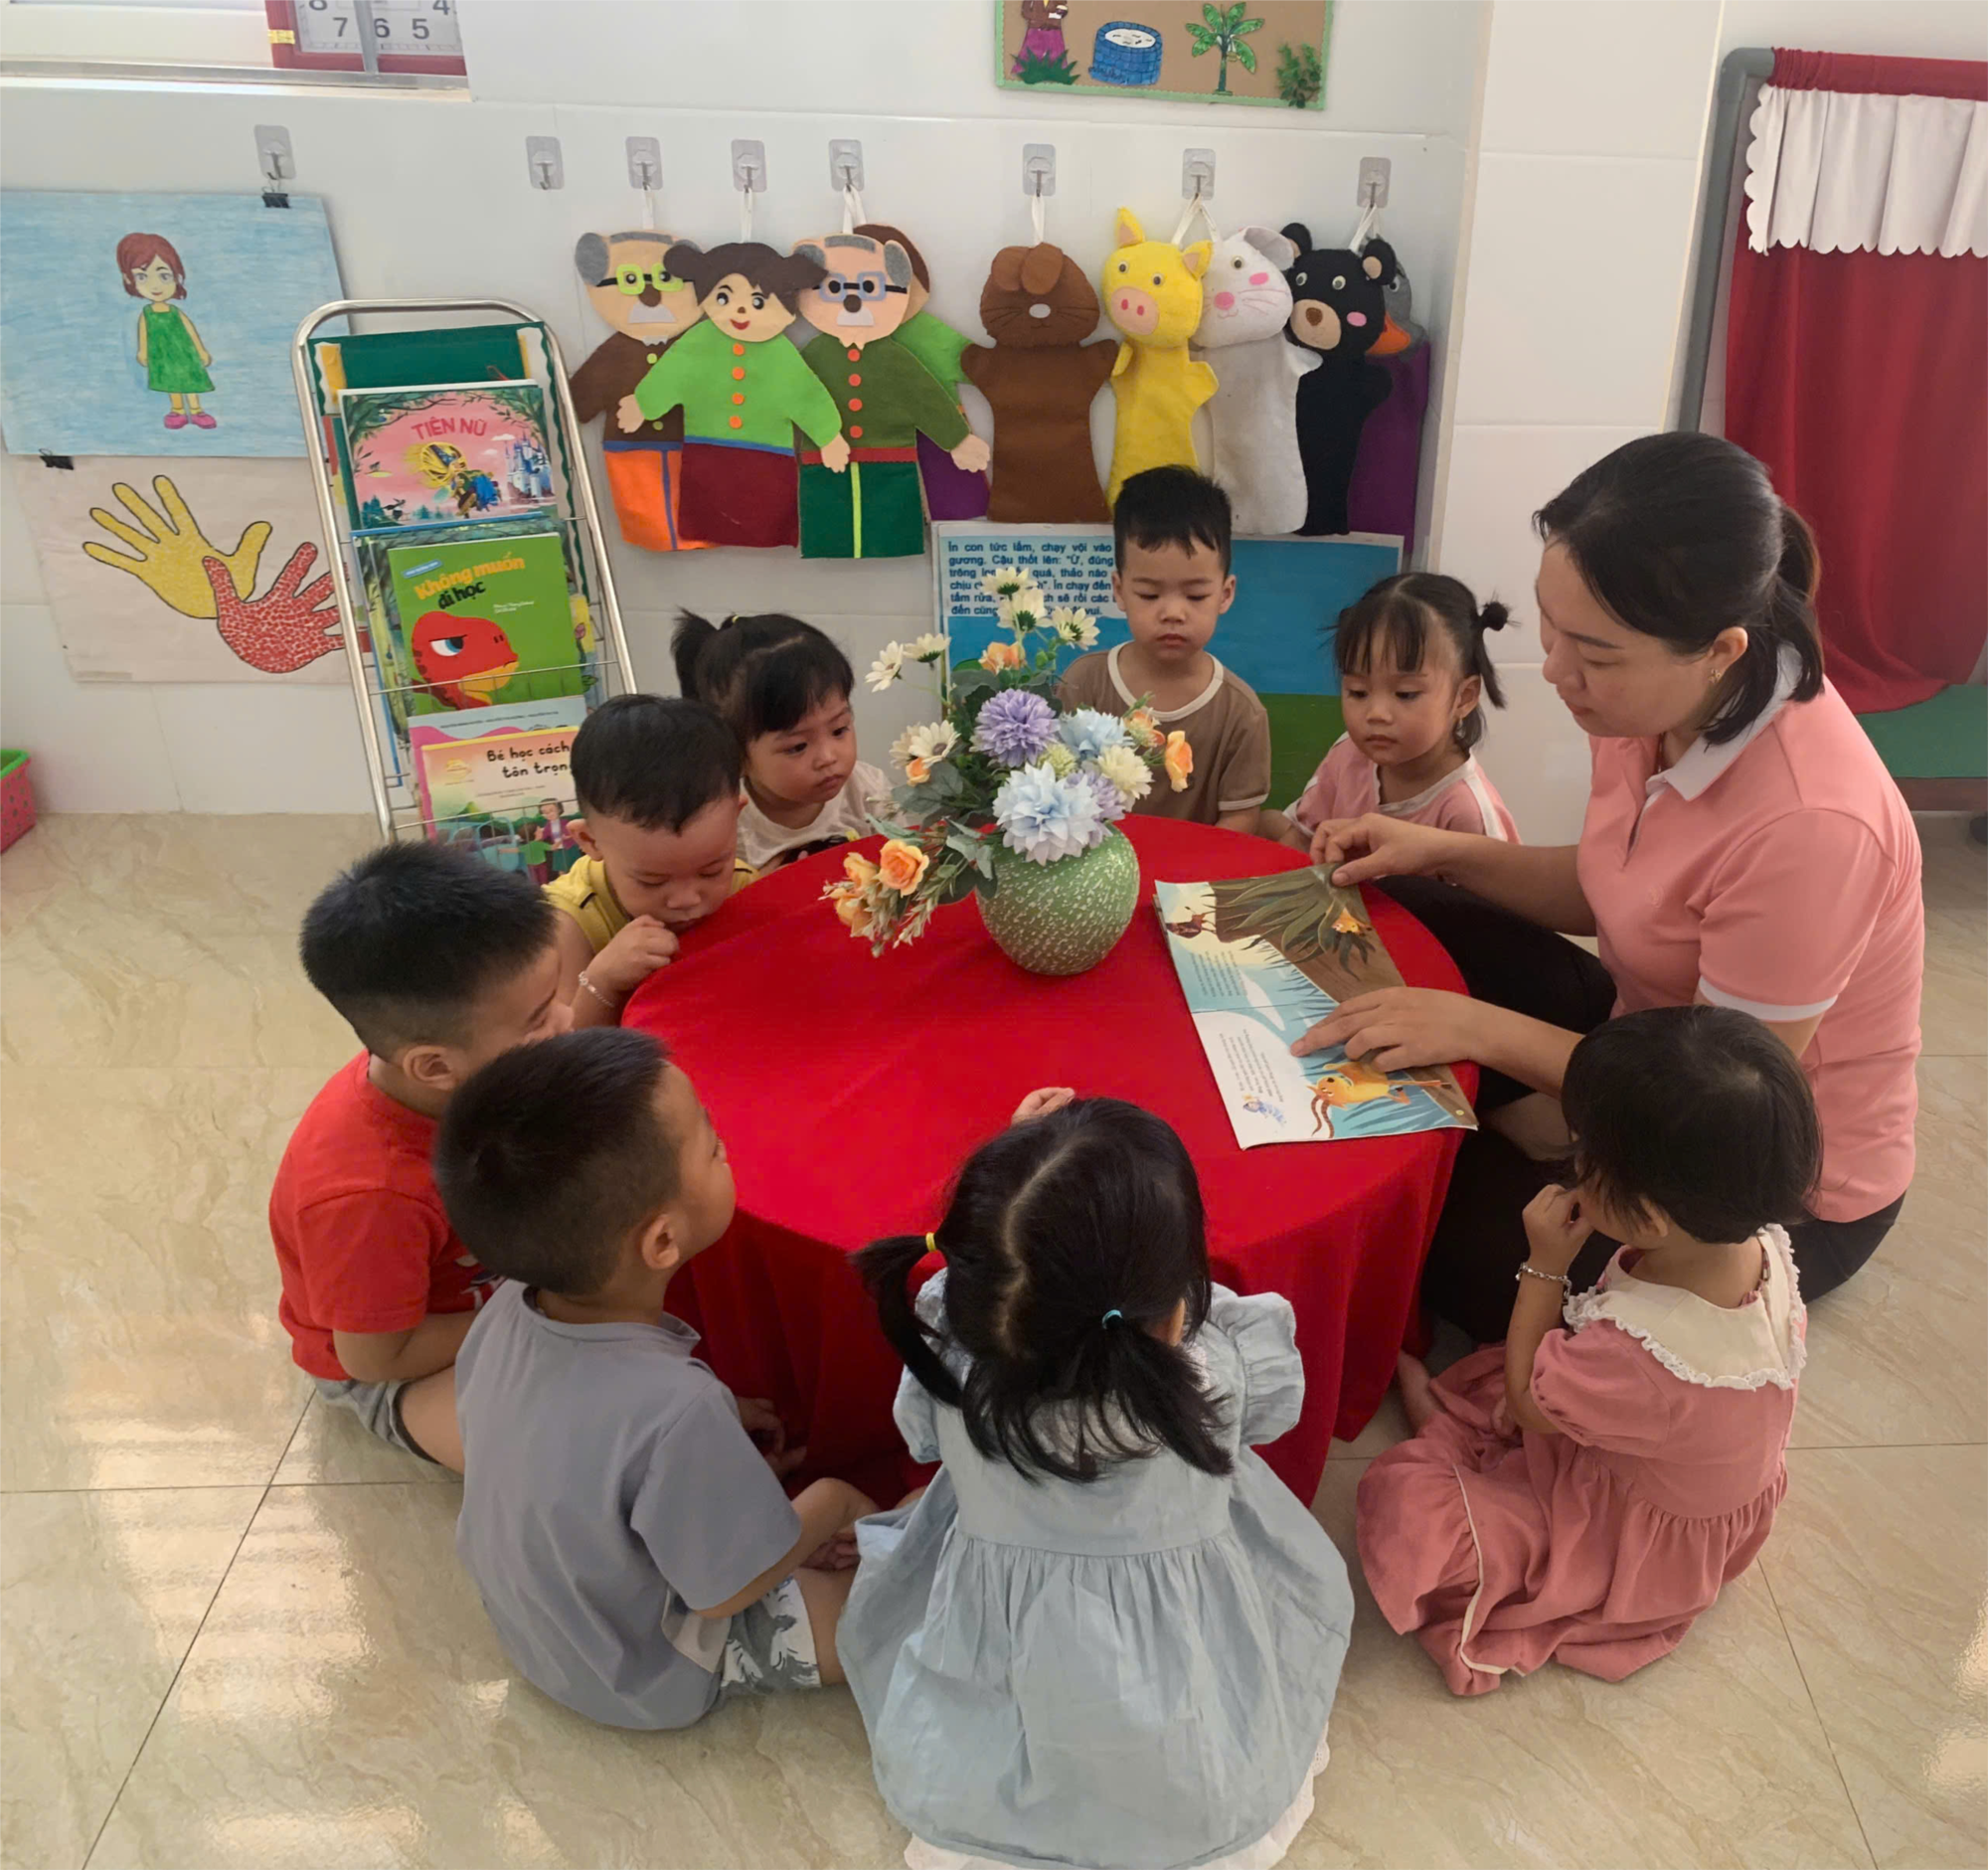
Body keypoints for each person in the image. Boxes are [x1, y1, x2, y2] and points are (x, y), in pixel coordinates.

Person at [1296, 433, 1923, 1334]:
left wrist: (1475, 1028)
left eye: (1592, 651)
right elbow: (1615, 885)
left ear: (1720, 650)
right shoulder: (1651, 704)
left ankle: (1529, 1127)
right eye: (1551, 628)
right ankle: (1531, 1114)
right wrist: (1429, 848)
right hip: (1644, 1034)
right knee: (1412, 902)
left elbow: (1713, 1098)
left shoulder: (1813, 823)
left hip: (1745, 1176)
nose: (1555, 670)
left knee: (1425, 1219)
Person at [839, 1093, 1352, 1870]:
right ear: (1173, 1314)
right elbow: (1269, 1404)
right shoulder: (1216, 1375)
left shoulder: (955, 1359)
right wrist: (1043, 1214)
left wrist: (1023, 1213)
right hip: (1185, 1706)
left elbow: (961, 1345)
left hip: (1005, 1642)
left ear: (993, 1290)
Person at [1357, 1006, 1818, 1696]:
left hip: (1621, 1526)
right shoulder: (1760, 1246)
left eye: (1588, 1160)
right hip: (1684, 1477)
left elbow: (1528, 1404)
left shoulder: (1639, 1356)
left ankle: (1461, 1454)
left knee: (1409, 1510)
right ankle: (1474, 1442)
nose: (1574, 1166)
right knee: (1517, 1371)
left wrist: (1545, 1264)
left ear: (1650, 1219)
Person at [435, 1028, 876, 1729]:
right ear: (663, 1240)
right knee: (889, 1607)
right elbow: (725, 1592)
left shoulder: (506, 1309)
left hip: (537, 1622)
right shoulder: (678, 1409)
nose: (724, 1143)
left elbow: (590, 1446)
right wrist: (831, 1502)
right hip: (640, 1672)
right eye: (713, 1145)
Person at [268, 842, 570, 1471]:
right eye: (539, 1020)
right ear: (434, 1067)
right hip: (403, 1366)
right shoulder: (369, 1194)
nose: (567, 1022)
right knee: (563, 1458)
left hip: (500, 1286)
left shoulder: (462, 1072)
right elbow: (374, 1357)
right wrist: (549, 1315)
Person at [1058, 465, 1272, 832]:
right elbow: (1059, 789)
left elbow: (1240, 818)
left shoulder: (1241, 713)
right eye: (1149, 594)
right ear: (1119, 590)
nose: (1173, 613)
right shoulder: (1083, 683)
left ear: (1225, 594)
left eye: (1195, 595)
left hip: (1196, 867)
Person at [545, 694, 756, 1029]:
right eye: (652, 881)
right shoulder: (570, 919)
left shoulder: (744, 888)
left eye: (711, 871)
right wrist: (602, 981)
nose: (687, 900)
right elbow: (559, 1050)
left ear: (736, 816)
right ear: (589, 840)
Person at [1264, 571, 1519, 848]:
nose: (1376, 714)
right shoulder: (1348, 754)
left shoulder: (1469, 815)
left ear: (1464, 698)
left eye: (1405, 694)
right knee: (1266, 822)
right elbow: (1301, 840)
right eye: (1358, 692)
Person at [673, 610, 891, 873]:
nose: (828, 757)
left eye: (839, 730)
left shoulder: (870, 794)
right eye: (798, 747)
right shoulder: (726, 824)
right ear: (736, 756)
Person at [116, 232, 215, 430]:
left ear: (176, 276)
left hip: (185, 353)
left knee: (191, 381)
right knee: (171, 382)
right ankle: (177, 411)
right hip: (162, 356)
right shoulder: (146, 313)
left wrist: (201, 351)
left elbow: (191, 331)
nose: (155, 286)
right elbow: (143, 334)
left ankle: (196, 411)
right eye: (142, 277)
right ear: (129, 279)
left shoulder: (175, 312)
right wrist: (143, 351)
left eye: (164, 276)